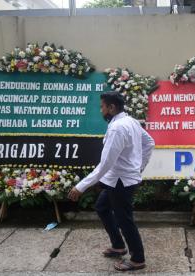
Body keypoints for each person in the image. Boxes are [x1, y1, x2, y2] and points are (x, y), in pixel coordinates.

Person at [68, 91, 155, 272]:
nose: (101, 111)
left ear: (112, 107)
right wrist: (139, 166)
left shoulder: (117, 128)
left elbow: (104, 164)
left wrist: (80, 186)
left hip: (122, 181)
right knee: (102, 207)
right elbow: (150, 143)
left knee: (125, 220)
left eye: (102, 107)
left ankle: (138, 259)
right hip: (118, 180)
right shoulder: (130, 121)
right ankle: (118, 246)